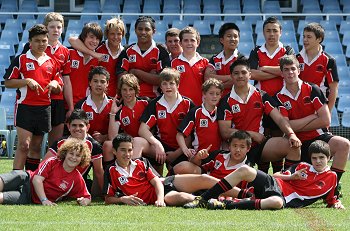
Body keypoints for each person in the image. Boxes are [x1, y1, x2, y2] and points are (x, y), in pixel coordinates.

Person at [183, 140, 344, 210]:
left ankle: (226, 205)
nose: (317, 161)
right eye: (314, 158)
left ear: (329, 158)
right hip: (275, 185)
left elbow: (331, 198)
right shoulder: (303, 166)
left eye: (321, 158)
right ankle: (202, 200)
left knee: (276, 203)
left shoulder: (332, 178)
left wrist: (335, 203)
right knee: (245, 170)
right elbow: (278, 176)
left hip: (282, 199)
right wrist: (292, 177)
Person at [103, 133, 246, 206]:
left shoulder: (141, 162)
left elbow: (156, 182)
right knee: (183, 198)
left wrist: (159, 199)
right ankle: (223, 203)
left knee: (205, 179)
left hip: (164, 184)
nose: (127, 154)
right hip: (162, 197)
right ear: (114, 151)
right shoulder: (111, 171)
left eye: (129, 150)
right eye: (123, 150)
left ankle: (245, 195)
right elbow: (108, 198)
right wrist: (123, 199)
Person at [274, 55, 349, 185]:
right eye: (286, 69)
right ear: (281, 73)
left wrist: (295, 125)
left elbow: (325, 120)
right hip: (296, 144)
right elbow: (287, 125)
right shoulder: (279, 96)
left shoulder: (312, 89)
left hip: (318, 138)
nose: (290, 72)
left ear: (299, 70)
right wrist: (312, 117)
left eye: (293, 69)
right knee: (295, 185)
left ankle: (333, 187)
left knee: (344, 144)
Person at [217, 58, 301, 171]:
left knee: (293, 147)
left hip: (260, 145)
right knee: (245, 176)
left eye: (243, 72)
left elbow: (280, 119)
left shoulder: (261, 95)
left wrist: (291, 134)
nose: (240, 76)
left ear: (250, 75)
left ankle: (286, 184)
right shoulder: (225, 101)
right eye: (236, 73)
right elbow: (225, 132)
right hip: (238, 147)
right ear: (231, 76)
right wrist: (252, 134)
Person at [4, 24, 62, 171]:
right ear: (30, 42)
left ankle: (30, 180)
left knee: (36, 148)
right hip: (25, 107)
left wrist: (55, 83)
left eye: (44, 40)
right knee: (24, 145)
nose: (41, 44)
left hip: (44, 108)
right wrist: (26, 81)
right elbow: (8, 82)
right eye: (37, 41)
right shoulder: (21, 59)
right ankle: (15, 180)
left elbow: (59, 85)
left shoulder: (52, 61)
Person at [0, 138, 91, 206]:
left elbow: (87, 197)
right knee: (4, 180)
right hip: (26, 179)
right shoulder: (52, 162)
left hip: (29, 197)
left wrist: (84, 201)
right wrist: (44, 200)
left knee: (2, 198)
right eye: (71, 153)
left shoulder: (77, 178)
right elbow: (37, 180)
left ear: (82, 159)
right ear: (65, 153)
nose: (74, 158)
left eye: (78, 155)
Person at [138, 68, 195, 175]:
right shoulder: (155, 104)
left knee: (175, 181)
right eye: (164, 83)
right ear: (160, 86)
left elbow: (190, 135)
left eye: (171, 83)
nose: (168, 87)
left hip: (182, 149)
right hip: (161, 147)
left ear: (178, 85)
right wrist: (157, 144)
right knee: (137, 141)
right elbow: (142, 130)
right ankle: (136, 180)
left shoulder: (188, 104)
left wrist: (176, 154)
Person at [43, 109, 104, 196]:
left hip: (76, 184)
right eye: (74, 125)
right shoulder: (61, 142)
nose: (77, 129)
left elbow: (99, 172)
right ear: (68, 126)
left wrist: (106, 195)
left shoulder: (94, 146)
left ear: (87, 127)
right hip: (56, 181)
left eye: (81, 126)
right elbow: (44, 163)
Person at [175, 130, 252, 192]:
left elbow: (245, 193)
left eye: (242, 147)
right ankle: (166, 183)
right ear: (229, 146)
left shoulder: (247, 169)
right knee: (183, 166)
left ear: (248, 149)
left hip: (224, 194)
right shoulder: (218, 155)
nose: (238, 150)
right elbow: (197, 168)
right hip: (204, 185)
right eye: (235, 146)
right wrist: (198, 157)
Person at [175, 78, 223, 174]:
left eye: (217, 94)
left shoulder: (222, 112)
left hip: (219, 156)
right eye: (211, 93)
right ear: (204, 94)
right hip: (199, 157)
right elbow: (180, 134)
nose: (214, 96)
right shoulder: (196, 112)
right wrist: (185, 149)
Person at [69, 17, 126, 97]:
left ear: (123, 34)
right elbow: (72, 40)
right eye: (112, 34)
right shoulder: (98, 47)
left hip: (115, 97)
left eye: (119, 34)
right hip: (96, 96)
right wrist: (93, 53)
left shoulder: (126, 52)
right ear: (107, 34)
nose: (116, 37)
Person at [116, 16, 170, 99]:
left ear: (153, 31)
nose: (143, 32)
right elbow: (122, 81)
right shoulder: (126, 51)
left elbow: (162, 80)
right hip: (131, 100)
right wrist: (149, 76)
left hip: (155, 100)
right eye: (140, 29)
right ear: (135, 31)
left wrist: (135, 72)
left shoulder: (161, 51)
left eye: (147, 29)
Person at [102, 73, 149, 168]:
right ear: (120, 91)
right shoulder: (119, 111)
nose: (127, 93)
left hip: (148, 143)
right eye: (124, 90)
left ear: (136, 90)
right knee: (108, 144)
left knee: (137, 141)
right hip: (129, 145)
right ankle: (111, 176)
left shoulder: (146, 103)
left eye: (131, 89)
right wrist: (112, 113)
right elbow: (112, 138)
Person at [248, 16, 295, 97]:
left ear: (280, 32)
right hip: (261, 97)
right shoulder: (255, 51)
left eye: (275, 31)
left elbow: (290, 71)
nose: (271, 34)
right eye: (268, 31)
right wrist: (281, 72)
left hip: (284, 97)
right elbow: (252, 74)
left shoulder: (288, 50)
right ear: (263, 32)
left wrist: (264, 68)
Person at [297, 22, 339, 111]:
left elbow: (333, 89)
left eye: (309, 37)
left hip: (319, 108)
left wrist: (328, 113)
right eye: (304, 36)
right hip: (299, 106)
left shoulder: (329, 60)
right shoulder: (297, 58)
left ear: (319, 39)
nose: (305, 40)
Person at [204, 22, 245, 96]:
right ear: (221, 40)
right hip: (217, 101)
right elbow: (207, 78)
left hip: (236, 101)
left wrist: (215, 80)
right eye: (229, 36)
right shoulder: (214, 59)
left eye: (235, 36)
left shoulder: (241, 59)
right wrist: (231, 77)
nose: (233, 39)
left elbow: (238, 81)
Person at [171, 26, 209, 106]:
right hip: (180, 106)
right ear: (180, 43)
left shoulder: (206, 63)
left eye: (192, 40)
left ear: (198, 42)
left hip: (200, 106)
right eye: (186, 40)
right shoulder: (173, 63)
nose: (189, 43)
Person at [75, 66, 113, 144]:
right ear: (90, 82)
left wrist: (104, 137)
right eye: (95, 81)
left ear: (107, 83)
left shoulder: (115, 104)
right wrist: (89, 139)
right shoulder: (80, 105)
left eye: (102, 82)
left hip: (109, 144)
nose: (99, 84)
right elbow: (75, 129)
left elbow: (121, 131)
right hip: (85, 143)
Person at [69, 22, 103, 106]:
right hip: (67, 104)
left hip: (86, 104)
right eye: (91, 37)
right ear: (84, 37)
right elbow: (71, 39)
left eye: (97, 39)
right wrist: (92, 53)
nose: (94, 41)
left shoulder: (98, 60)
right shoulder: (70, 54)